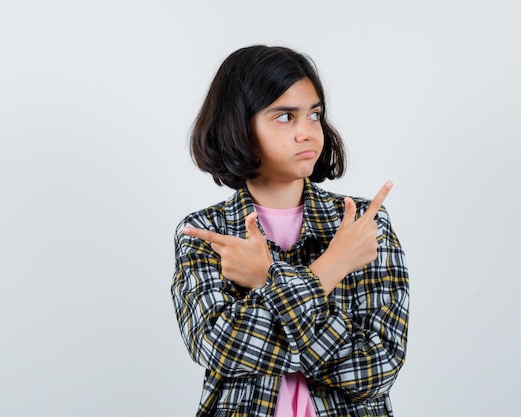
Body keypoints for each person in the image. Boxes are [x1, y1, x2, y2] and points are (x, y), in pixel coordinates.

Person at [171, 45, 409, 417]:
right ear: (238, 125)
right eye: (285, 117)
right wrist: (331, 267)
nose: (307, 133)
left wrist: (266, 278)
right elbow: (219, 348)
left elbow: (374, 370)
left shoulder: (360, 224)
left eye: (314, 115)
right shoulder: (207, 232)